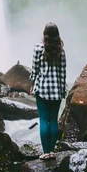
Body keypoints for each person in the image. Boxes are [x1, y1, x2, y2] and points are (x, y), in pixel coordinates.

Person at [29, 22, 67, 160]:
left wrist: (32, 84)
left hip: (42, 89)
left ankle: (45, 152)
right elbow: (63, 73)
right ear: (57, 35)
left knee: (44, 119)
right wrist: (63, 90)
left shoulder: (38, 48)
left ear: (44, 34)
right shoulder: (60, 50)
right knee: (53, 120)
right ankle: (52, 151)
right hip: (56, 90)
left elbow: (35, 69)